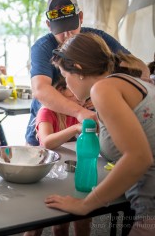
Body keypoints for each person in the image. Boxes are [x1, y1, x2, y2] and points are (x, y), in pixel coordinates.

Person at [45, 32, 155, 236]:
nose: (66, 83)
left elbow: (139, 157)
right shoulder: (130, 82)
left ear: (77, 69)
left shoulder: (102, 89)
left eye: (65, 75)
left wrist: (86, 204)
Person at [25, 0, 131, 146]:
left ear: (80, 17)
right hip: (48, 130)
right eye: (60, 30)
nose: (67, 35)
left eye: (71, 27)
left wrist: (98, 94)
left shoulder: (96, 39)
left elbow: (136, 68)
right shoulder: (42, 47)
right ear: (49, 25)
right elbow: (40, 90)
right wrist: (79, 111)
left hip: (85, 131)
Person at [26, 76, 91, 236]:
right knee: (37, 222)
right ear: (59, 92)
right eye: (74, 96)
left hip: (64, 171)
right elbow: (46, 142)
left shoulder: (77, 112)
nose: (80, 101)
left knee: (75, 221)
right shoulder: (46, 111)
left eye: (83, 97)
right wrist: (75, 128)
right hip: (42, 171)